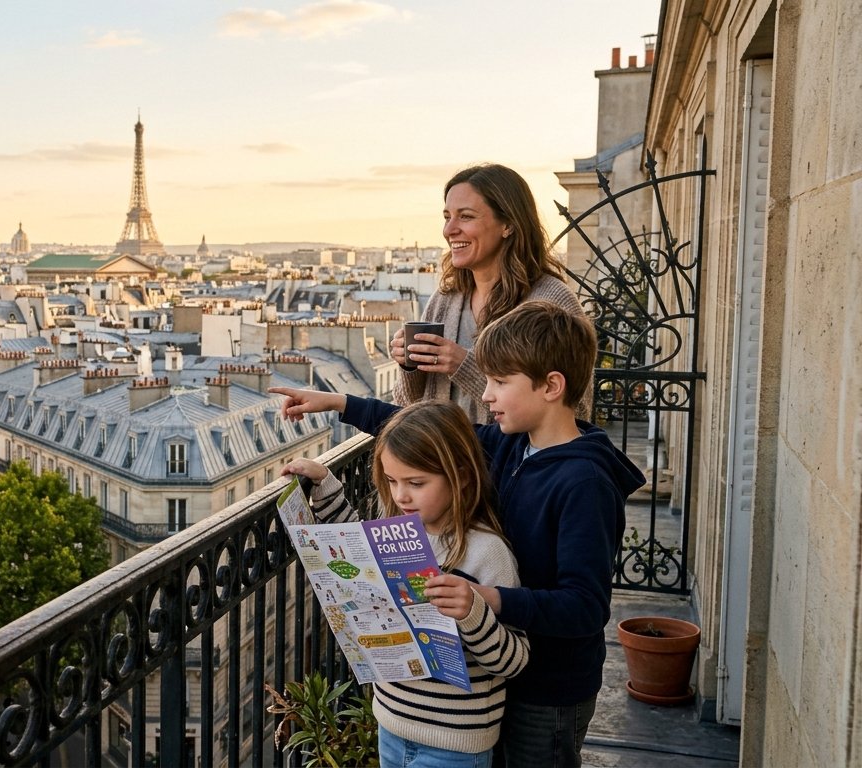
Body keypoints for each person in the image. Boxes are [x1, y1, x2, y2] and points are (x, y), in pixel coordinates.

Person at [270, 301, 645, 767]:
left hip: (550, 686)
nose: (485, 395)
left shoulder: (584, 484)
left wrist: (487, 598)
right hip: (492, 677)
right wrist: (341, 403)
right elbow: (431, 438)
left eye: (500, 382)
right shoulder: (515, 442)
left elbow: (586, 607)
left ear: (551, 386)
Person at [281, 401, 530, 766]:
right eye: (392, 481)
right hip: (391, 723)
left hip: (455, 742)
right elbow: (357, 554)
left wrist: (472, 612)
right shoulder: (398, 530)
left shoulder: (487, 553)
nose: (401, 495)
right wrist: (323, 484)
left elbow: (514, 662)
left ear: (459, 475)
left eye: (416, 483)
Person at [390, 163, 590, 423]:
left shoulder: (552, 301)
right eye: (447, 216)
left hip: (509, 464)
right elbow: (408, 406)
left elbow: (576, 414)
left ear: (507, 224)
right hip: (443, 461)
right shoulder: (446, 299)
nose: (449, 230)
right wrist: (410, 363)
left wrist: (464, 365)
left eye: (466, 216)